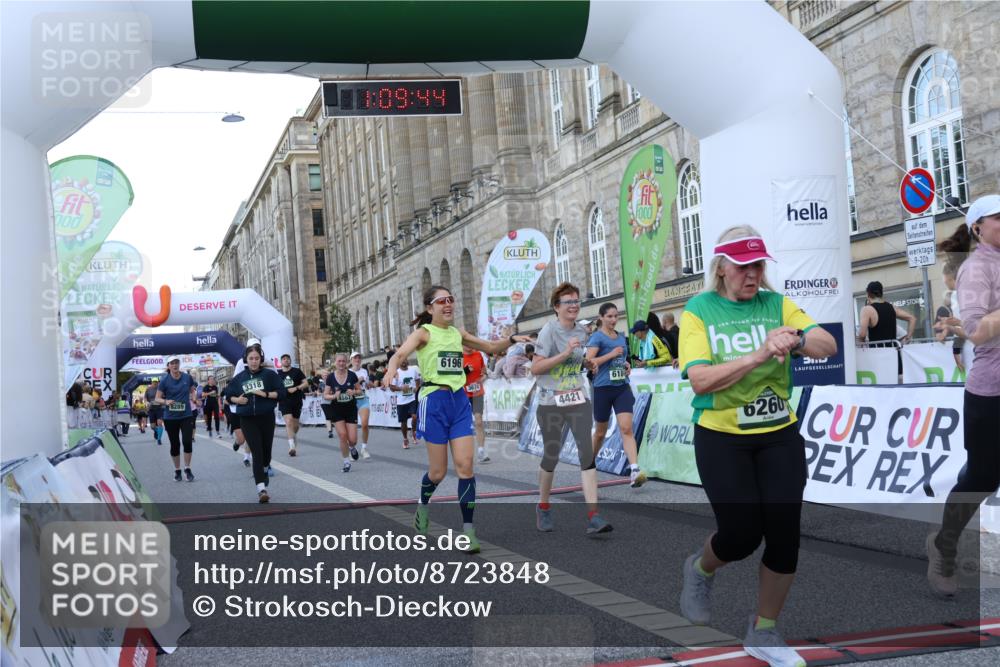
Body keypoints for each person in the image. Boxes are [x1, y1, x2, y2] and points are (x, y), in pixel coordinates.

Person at [677, 226, 836, 667]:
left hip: (778, 432)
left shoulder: (777, 304)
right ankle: (701, 568)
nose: (752, 274)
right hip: (721, 435)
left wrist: (798, 339)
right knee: (742, 534)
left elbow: (827, 344)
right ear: (721, 268)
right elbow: (700, 379)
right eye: (743, 266)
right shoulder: (698, 310)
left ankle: (764, 630)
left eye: (758, 266)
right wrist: (760, 354)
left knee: (785, 534)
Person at [384, 285, 528, 553]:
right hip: (434, 402)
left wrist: (512, 340)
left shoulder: (458, 333)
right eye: (442, 301)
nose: (448, 304)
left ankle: (469, 531)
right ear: (430, 308)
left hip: (459, 401)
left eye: (451, 299)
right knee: (437, 472)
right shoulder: (424, 333)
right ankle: (423, 506)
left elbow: (490, 347)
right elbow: (400, 354)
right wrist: (391, 370)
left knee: (465, 467)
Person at [927, 194, 1000, 597]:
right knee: (981, 478)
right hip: (991, 391)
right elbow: (976, 331)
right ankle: (945, 548)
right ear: (978, 228)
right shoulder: (976, 268)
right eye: (998, 218)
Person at [532, 282, 612, 535]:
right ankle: (543, 506)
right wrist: (564, 353)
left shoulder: (581, 330)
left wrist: (588, 364)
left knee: (586, 454)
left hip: (577, 398)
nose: (574, 306)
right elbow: (536, 368)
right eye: (568, 302)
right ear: (557, 307)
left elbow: (578, 360)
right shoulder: (548, 331)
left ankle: (594, 516)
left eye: (576, 301)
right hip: (551, 402)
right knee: (551, 455)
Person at [586, 303, 646, 488]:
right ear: (601, 317)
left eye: (616, 316)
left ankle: (634, 470)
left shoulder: (620, 337)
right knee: (600, 433)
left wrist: (625, 365)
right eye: (609, 316)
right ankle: (589, 463)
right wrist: (611, 355)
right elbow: (588, 362)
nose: (613, 320)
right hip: (603, 388)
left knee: (626, 428)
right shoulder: (597, 337)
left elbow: (621, 359)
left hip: (621, 387)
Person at [225, 342, 286, 502]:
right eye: (251, 358)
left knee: (266, 453)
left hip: (266, 417)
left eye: (256, 358)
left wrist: (265, 394)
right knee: (257, 452)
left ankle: (265, 469)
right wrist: (237, 400)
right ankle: (261, 489)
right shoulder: (240, 378)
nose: (253, 361)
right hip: (247, 419)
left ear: (261, 359)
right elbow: (227, 396)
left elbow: (282, 393)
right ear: (246, 359)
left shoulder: (269, 375)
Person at [154, 356, 199, 482]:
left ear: (179, 364)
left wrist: (194, 397)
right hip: (171, 417)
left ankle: (187, 468)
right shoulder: (164, 380)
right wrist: (166, 401)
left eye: (176, 363)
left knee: (187, 441)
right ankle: (177, 470)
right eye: (172, 363)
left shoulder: (187, 377)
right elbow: (157, 398)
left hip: (186, 415)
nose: (175, 365)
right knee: (175, 444)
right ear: (168, 366)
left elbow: (193, 390)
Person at [857, 280, 916, 378]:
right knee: (897, 384)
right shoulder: (892, 307)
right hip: (894, 355)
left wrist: (862, 348)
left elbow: (862, 335)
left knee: (881, 384)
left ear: (868, 294)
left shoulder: (867, 310)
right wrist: (908, 338)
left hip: (877, 356)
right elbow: (912, 318)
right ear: (881, 293)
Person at [325, 353, 362, 472]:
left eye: (343, 361)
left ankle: (352, 447)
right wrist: (333, 396)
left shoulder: (352, 375)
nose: (341, 363)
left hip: (350, 410)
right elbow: (325, 395)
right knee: (342, 435)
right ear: (335, 362)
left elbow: (360, 390)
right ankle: (346, 462)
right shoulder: (330, 377)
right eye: (339, 361)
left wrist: (354, 392)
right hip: (337, 410)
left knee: (353, 440)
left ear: (346, 362)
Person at [277, 353, 309, 457]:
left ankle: (293, 436)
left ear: (290, 361)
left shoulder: (297, 371)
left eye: (288, 359)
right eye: (284, 359)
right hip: (284, 400)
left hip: (296, 400)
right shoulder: (278, 374)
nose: (286, 360)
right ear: (281, 362)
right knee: (289, 421)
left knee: (295, 425)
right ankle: (291, 447)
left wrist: (296, 388)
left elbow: (306, 383)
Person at [462, 344, 490, 463]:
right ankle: (463, 452)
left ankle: (481, 451)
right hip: (463, 394)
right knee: (465, 423)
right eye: (466, 343)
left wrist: (482, 378)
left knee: (478, 421)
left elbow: (484, 373)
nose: (470, 346)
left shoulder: (478, 355)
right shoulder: (458, 356)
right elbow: (454, 377)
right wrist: (465, 371)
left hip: (477, 393)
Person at [389, 356, 421, 449]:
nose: (404, 362)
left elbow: (418, 379)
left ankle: (413, 431)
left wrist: (417, 388)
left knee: (415, 417)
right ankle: (405, 439)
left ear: (407, 360)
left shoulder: (413, 370)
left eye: (405, 359)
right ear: (399, 362)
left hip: (412, 399)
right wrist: (401, 388)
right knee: (403, 422)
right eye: (401, 360)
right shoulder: (396, 373)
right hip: (401, 402)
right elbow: (391, 387)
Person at [350, 352, 373, 459]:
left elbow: (367, 384)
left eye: (359, 358)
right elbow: (348, 386)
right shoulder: (348, 372)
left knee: (364, 424)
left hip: (363, 399)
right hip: (351, 401)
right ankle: (352, 448)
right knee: (352, 428)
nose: (357, 360)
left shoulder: (364, 371)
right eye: (355, 358)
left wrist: (370, 384)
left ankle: (364, 448)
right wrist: (358, 381)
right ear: (351, 360)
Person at [145, 378, 164, 445]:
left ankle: (159, 439)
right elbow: (145, 398)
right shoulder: (148, 389)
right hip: (151, 409)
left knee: (159, 423)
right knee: (153, 426)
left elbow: (164, 397)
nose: (155, 383)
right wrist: (147, 402)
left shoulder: (161, 389)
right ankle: (157, 431)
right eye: (154, 382)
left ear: (158, 382)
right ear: (152, 382)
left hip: (159, 408)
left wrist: (162, 401)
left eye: (156, 382)